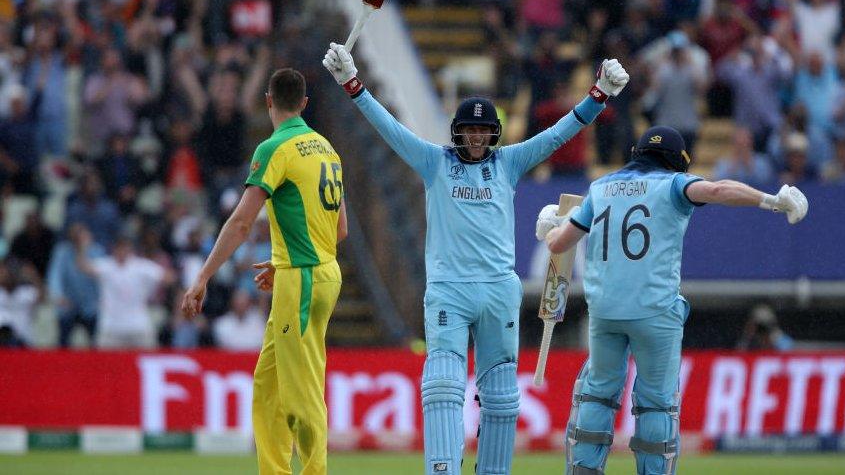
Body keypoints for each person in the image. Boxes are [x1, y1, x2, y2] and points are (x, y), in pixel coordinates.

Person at [323, 43, 629, 475]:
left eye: (484, 132)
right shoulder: (434, 162)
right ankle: (444, 469)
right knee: (444, 386)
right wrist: (353, 85)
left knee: (502, 396)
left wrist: (598, 95)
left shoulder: (509, 163)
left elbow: (559, 134)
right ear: (458, 131)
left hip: (499, 290)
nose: (477, 137)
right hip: (449, 289)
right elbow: (390, 129)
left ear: (494, 135)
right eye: (470, 131)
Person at [537, 126, 807, 475]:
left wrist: (550, 225)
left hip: (604, 313)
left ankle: (583, 470)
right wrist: (772, 201)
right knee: (656, 405)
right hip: (654, 312)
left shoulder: (600, 188)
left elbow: (559, 244)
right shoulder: (674, 184)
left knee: (597, 394)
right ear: (676, 161)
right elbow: (718, 189)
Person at [180, 68, 348, 475]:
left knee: (302, 392)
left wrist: (202, 277)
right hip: (318, 269)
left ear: (268, 101)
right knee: (269, 385)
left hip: (303, 279)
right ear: (304, 104)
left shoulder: (274, 148)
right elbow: (340, 230)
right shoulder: (326, 147)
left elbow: (240, 223)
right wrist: (284, 258)